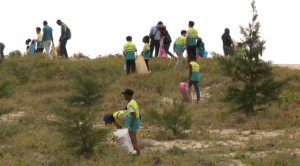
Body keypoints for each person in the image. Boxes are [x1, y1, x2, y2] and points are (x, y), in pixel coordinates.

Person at [121, 89, 141, 156]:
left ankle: (137, 154)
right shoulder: (132, 102)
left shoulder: (131, 105)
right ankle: (134, 153)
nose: (124, 96)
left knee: (133, 140)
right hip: (134, 124)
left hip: (133, 125)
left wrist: (130, 125)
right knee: (131, 140)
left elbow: (133, 115)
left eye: (125, 94)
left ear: (128, 95)